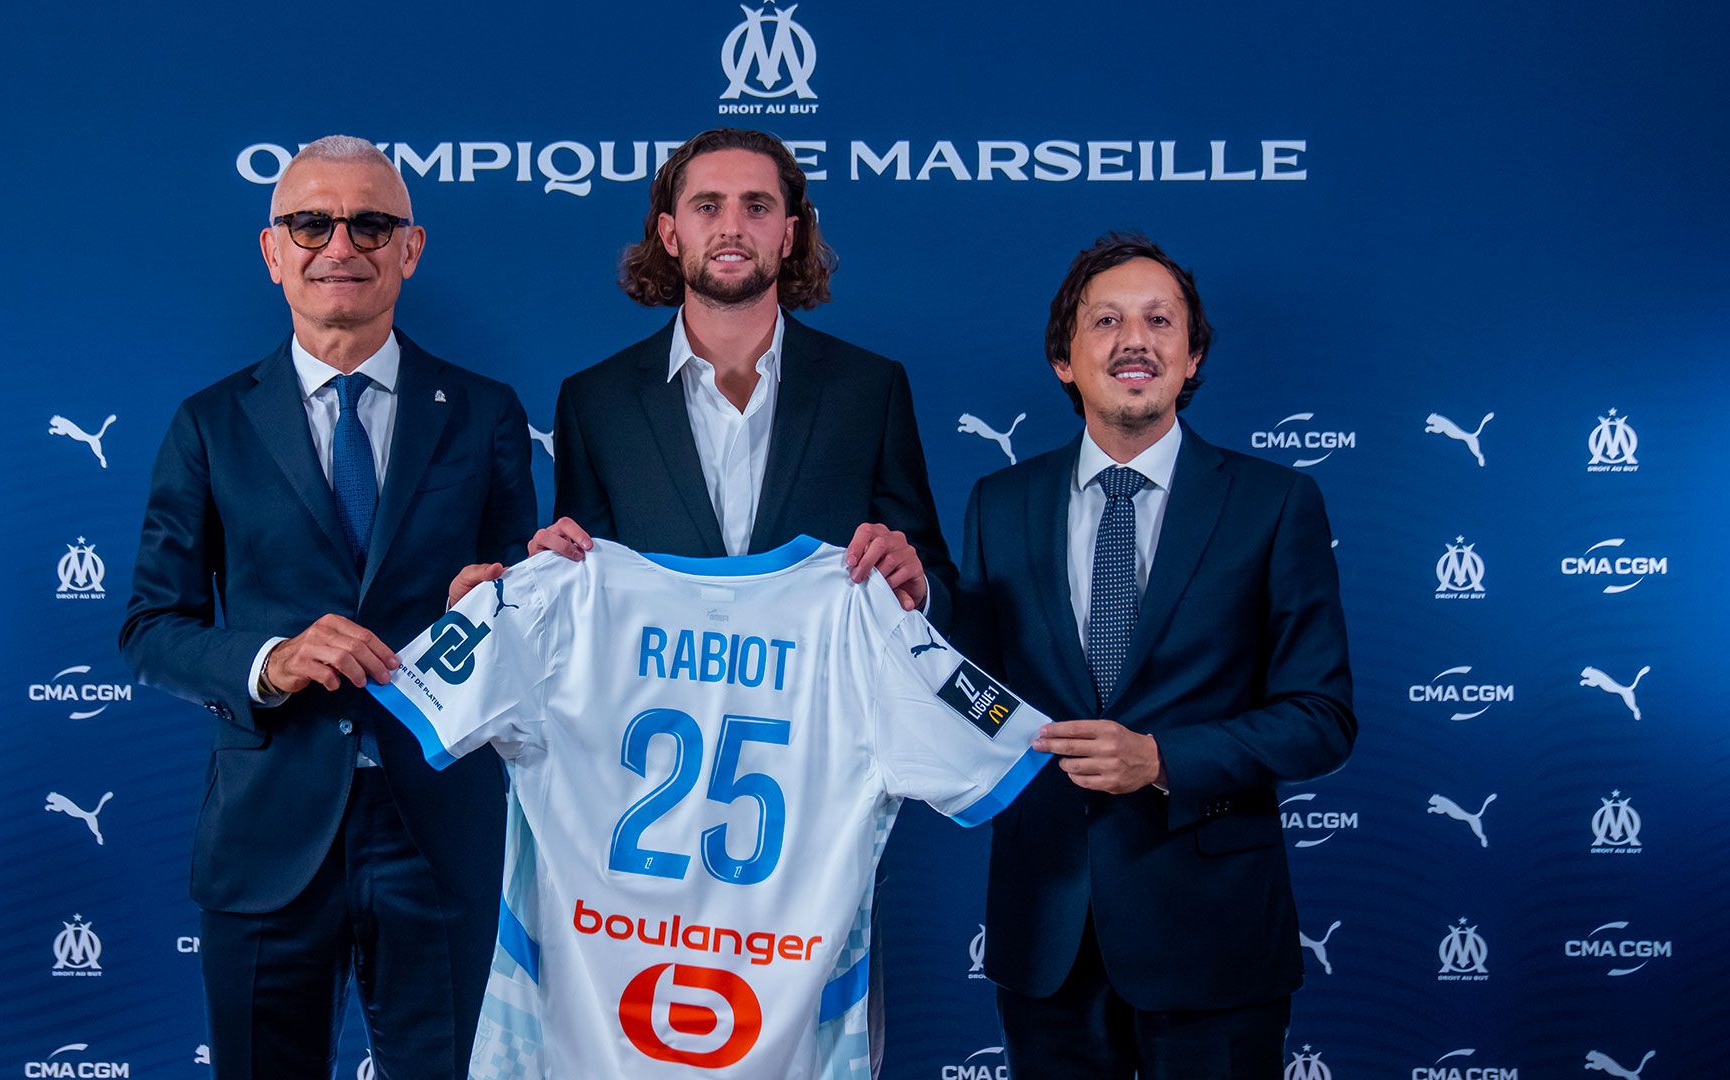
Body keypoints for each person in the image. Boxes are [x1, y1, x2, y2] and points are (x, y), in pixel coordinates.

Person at [120, 135, 535, 1078]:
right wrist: (268, 662)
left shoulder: (484, 413)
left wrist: (498, 607)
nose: (340, 245)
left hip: (439, 823)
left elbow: (526, 605)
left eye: (370, 224)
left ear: (410, 249)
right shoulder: (209, 423)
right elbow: (150, 628)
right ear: (274, 252)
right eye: (311, 223)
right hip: (267, 830)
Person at [958, 232, 1357, 1078]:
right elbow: (974, 691)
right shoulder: (998, 504)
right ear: (1065, 360)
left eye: (1160, 320)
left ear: (1192, 355)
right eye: (1106, 320)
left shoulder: (1274, 503)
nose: (1134, 340)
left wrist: (1160, 759)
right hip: (1045, 935)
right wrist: (907, 606)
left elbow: (1320, 718)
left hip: (1216, 937)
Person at [527, 127, 953, 620]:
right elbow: (583, 599)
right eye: (708, 206)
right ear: (670, 233)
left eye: (756, 207)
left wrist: (919, 589)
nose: (732, 228)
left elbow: (935, 586)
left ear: (788, 234)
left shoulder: (870, 390)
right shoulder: (596, 401)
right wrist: (549, 579)